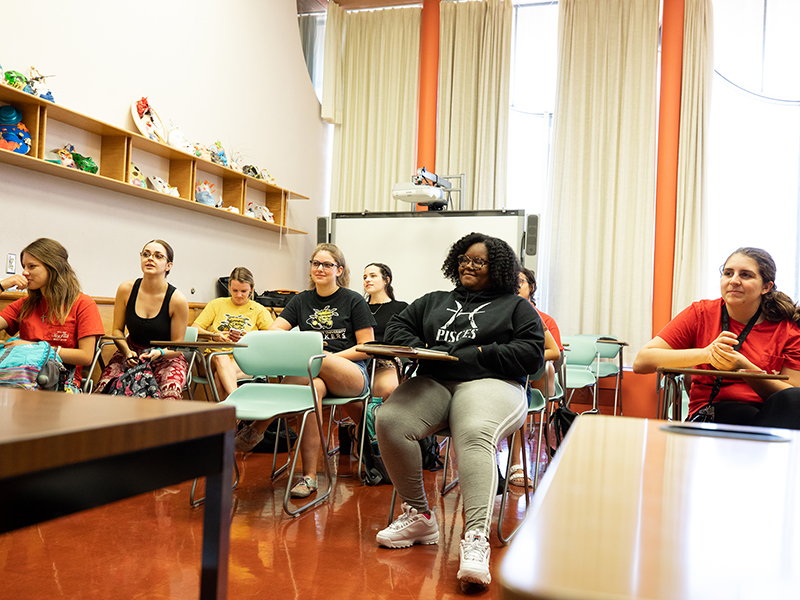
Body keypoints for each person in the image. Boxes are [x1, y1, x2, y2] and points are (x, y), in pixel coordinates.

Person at [374, 232, 545, 588]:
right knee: (389, 419)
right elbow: (396, 327)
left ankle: (476, 537)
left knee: (474, 431)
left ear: (496, 268)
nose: (468, 264)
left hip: (492, 383)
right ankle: (420, 515)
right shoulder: (434, 301)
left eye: (478, 261)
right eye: (464, 258)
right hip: (436, 381)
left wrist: (480, 354)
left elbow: (531, 356)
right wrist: (420, 348)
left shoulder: (517, 307)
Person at [235, 243, 375, 498]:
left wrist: (326, 356)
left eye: (327, 264)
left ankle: (260, 425)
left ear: (339, 270)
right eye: (315, 263)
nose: (320, 268)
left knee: (311, 359)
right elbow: (275, 331)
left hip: (350, 372)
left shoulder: (353, 299)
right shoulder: (300, 300)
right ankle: (309, 477)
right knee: (312, 390)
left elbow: (367, 347)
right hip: (313, 373)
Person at [633, 247, 800, 427]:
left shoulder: (787, 328)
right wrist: (707, 354)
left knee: (791, 399)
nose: (734, 281)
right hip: (712, 412)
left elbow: (791, 396)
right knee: (741, 415)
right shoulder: (700, 313)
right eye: (728, 273)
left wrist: (743, 367)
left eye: (745, 275)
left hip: (767, 414)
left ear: (766, 287)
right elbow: (641, 361)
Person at [0, 238, 104, 390]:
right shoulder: (25, 305)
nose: (24, 272)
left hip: (59, 382)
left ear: (52, 267)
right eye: (24, 266)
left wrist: (35, 347)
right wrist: (2, 285)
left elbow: (86, 356)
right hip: (19, 378)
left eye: (32, 266)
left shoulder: (83, 304)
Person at [95, 240, 190, 400]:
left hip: (166, 357)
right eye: (146, 254)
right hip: (130, 352)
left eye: (158, 256)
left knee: (169, 394)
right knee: (104, 390)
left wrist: (159, 353)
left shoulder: (177, 300)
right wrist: (126, 352)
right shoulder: (126, 289)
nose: (150, 258)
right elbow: (117, 330)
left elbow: (177, 347)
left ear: (168, 266)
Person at [508, 267, 562, 487]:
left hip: (535, 379)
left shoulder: (544, 319)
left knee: (535, 376)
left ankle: (516, 464)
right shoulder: (503, 313)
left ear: (531, 287)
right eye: (512, 282)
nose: (516, 286)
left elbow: (555, 354)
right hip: (507, 374)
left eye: (520, 281)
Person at [191, 267, 274, 401]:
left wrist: (249, 338)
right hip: (211, 359)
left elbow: (273, 337)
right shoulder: (216, 304)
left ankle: (229, 419)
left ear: (251, 289)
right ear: (229, 287)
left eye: (244, 291)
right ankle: (239, 403)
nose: (239, 295)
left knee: (220, 376)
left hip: (243, 360)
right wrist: (214, 336)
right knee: (221, 358)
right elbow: (195, 328)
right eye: (235, 290)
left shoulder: (259, 310)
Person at [363, 262, 408, 400]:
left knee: (387, 389)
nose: (367, 280)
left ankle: (377, 420)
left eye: (373, 276)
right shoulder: (358, 307)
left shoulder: (401, 308)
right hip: (360, 359)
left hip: (386, 360)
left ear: (386, 280)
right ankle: (364, 421)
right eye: (365, 277)